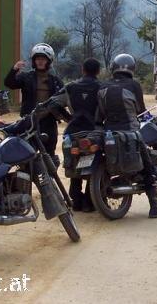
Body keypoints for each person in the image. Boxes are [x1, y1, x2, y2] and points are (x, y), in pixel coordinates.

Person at [96, 53, 157, 218]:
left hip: (109, 133)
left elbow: (100, 114)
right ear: (132, 69)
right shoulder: (134, 85)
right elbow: (141, 110)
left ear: (113, 68)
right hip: (131, 132)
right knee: (148, 166)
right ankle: (154, 207)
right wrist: (150, 119)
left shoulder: (103, 87)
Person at [48, 58, 103, 212]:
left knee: (73, 163)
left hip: (73, 131)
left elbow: (53, 104)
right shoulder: (102, 87)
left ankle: (76, 199)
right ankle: (90, 199)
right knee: (97, 162)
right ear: (98, 71)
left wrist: (67, 118)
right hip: (94, 131)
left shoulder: (70, 87)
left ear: (83, 70)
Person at [4, 43, 64, 158]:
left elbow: (63, 99)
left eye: (43, 59)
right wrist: (14, 70)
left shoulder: (56, 81)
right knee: (25, 155)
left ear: (49, 61)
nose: (40, 61)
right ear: (34, 61)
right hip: (28, 121)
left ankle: (49, 175)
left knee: (49, 154)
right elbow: (9, 83)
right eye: (38, 59)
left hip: (49, 122)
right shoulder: (26, 77)